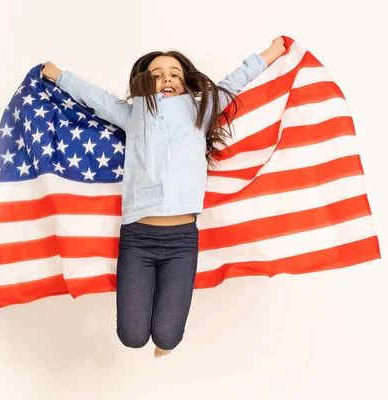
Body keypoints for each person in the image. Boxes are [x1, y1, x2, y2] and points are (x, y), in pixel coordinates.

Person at [42, 36, 286, 358]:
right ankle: (149, 305)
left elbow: (235, 81)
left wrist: (271, 52)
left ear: (186, 83)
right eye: (156, 75)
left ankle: (165, 334)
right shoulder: (132, 113)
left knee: (167, 337)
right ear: (145, 83)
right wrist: (58, 74)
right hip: (137, 238)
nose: (166, 78)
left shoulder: (202, 108)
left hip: (181, 241)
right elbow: (94, 97)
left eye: (173, 73)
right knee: (131, 337)